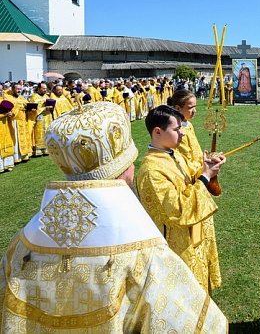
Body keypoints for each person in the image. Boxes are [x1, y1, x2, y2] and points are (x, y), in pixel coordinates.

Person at [0, 101, 227, 332]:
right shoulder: (142, 252)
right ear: (122, 168)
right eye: (130, 163)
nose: (133, 170)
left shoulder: (20, 245)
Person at [137, 105, 226, 293]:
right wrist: (205, 176)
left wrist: (207, 167)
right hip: (176, 246)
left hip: (192, 236)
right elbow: (179, 209)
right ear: (158, 132)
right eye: (177, 129)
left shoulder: (173, 154)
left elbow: (188, 175)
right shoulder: (152, 170)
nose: (182, 134)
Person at [28, 82, 53, 156]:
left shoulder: (47, 96)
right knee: (39, 132)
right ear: (39, 88)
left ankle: (46, 149)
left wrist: (51, 107)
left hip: (48, 117)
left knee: (47, 132)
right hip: (39, 117)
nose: (45, 90)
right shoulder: (34, 96)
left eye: (45, 88)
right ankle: (38, 150)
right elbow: (32, 108)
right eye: (43, 88)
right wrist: (44, 108)